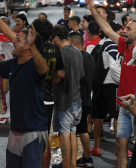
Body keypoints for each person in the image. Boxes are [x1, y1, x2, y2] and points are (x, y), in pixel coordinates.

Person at [0, 0, 48, 168]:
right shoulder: (14, 63)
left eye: (18, 39)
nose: (13, 41)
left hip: (32, 132)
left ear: (29, 46)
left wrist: (32, 45)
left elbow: (43, 69)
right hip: (15, 131)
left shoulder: (34, 63)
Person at [86, 0, 136, 168]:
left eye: (129, 28)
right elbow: (108, 29)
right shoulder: (124, 45)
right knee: (121, 145)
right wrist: (93, 11)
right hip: (124, 104)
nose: (124, 30)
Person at [32, 19, 65, 168]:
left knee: (31, 140)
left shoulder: (33, 49)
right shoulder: (55, 49)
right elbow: (60, 74)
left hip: (34, 98)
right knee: (45, 139)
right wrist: (51, 81)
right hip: (48, 98)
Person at [50, 25, 84, 168]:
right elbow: (81, 75)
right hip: (77, 99)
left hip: (64, 100)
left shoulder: (60, 53)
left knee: (64, 135)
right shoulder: (77, 52)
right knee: (72, 134)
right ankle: (72, 165)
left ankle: (66, 165)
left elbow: (58, 76)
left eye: (53, 39)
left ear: (57, 38)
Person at [90, 22, 122, 157]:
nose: (121, 34)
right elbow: (114, 67)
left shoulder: (99, 44)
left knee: (98, 116)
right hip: (111, 84)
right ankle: (119, 148)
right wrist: (121, 81)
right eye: (119, 31)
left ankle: (96, 147)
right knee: (116, 116)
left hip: (98, 84)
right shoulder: (113, 46)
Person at [68, 32, 95, 167]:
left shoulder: (76, 57)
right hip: (87, 96)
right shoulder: (90, 57)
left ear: (74, 44)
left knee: (74, 130)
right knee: (83, 129)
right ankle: (86, 157)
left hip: (77, 98)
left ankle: (72, 160)